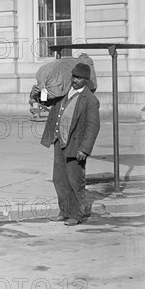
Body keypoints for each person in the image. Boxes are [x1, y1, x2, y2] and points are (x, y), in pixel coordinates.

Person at [41, 62, 100, 226]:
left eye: (79, 78)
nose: (75, 80)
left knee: (76, 181)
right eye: (74, 76)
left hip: (76, 147)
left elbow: (92, 127)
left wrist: (85, 149)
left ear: (86, 80)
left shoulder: (90, 100)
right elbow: (46, 102)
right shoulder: (63, 93)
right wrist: (40, 93)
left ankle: (76, 215)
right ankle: (64, 212)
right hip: (59, 142)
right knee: (59, 179)